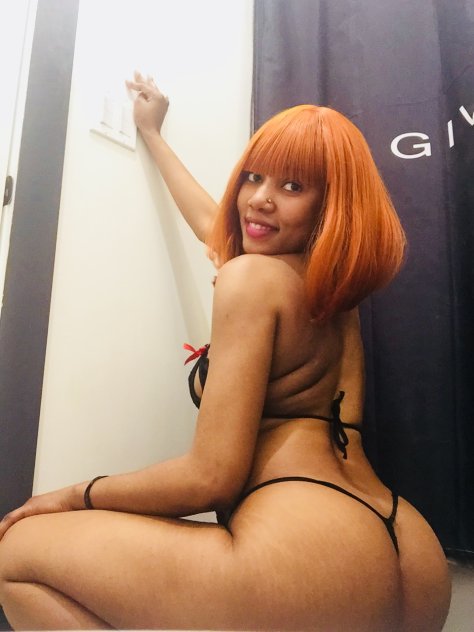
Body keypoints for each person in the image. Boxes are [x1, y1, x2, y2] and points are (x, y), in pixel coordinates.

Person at [0, 72, 451, 631]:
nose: (259, 198)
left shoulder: (253, 280)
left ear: (329, 205)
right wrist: (153, 135)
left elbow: (210, 476)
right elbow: (212, 226)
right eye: (253, 177)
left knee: (15, 554)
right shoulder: (331, 294)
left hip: (309, 546)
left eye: (293, 186)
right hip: (407, 545)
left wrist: (73, 495)